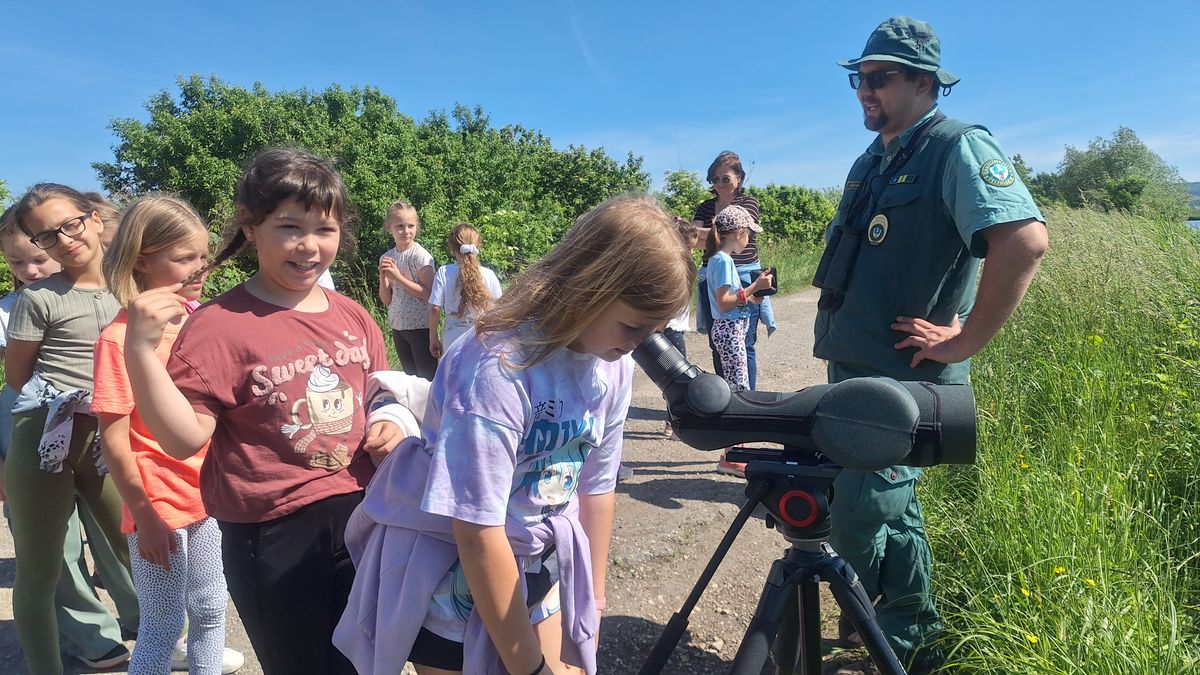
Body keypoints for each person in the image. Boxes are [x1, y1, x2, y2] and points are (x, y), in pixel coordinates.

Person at [334, 193, 695, 675]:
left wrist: (594, 601)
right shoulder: (497, 368)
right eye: (633, 326)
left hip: (537, 559)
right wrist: (529, 668)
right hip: (453, 575)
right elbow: (476, 530)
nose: (639, 344)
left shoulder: (613, 366)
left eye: (653, 330)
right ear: (589, 287)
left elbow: (598, 485)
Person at [813, 16, 1048, 672]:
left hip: (900, 384)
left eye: (879, 77)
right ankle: (910, 637)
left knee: (855, 515)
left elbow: (1024, 240)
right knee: (893, 504)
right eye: (859, 77)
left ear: (924, 82)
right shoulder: (878, 157)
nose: (864, 88)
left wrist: (965, 337)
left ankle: (876, 628)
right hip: (857, 372)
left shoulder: (957, 147)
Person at [122, 148, 406, 674]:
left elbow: (382, 391)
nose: (309, 245)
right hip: (272, 530)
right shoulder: (218, 325)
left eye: (325, 228)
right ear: (250, 228)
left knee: (364, 659)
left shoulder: (353, 314)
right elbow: (184, 438)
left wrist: (391, 418)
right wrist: (139, 351)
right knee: (299, 664)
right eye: (289, 226)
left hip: (363, 513)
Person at [93, 195, 245, 674]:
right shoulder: (118, 340)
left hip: (207, 497)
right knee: (162, 622)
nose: (200, 268)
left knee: (210, 609)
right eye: (184, 258)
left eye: (203, 256)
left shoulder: (200, 320)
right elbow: (115, 440)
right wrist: (144, 517)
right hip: (159, 505)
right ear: (143, 259)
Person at [3, 184, 138, 674]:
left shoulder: (135, 285)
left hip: (113, 436)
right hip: (46, 436)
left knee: (137, 548)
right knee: (40, 569)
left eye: (70, 224)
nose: (63, 240)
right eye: (46, 237)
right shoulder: (39, 298)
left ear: (95, 218)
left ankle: (165, 640)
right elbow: (18, 378)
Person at [692, 151, 776, 389]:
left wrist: (707, 233)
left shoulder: (749, 203)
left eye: (724, 178)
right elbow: (692, 239)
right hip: (718, 279)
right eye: (714, 179)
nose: (719, 184)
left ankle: (741, 396)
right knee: (721, 344)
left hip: (744, 276)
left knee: (745, 342)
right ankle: (733, 397)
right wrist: (712, 233)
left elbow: (698, 238)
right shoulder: (706, 207)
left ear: (739, 178)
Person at [704, 206, 772, 477]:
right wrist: (754, 287)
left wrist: (752, 297)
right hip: (729, 331)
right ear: (740, 233)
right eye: (749, 234)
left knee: (737, 389)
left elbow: (731, 300)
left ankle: (734, 453)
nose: (749, 240)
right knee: (738, 392)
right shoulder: (722, 261)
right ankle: (731, 456)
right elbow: (723, 303)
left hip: (732, 328)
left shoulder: (720, 259)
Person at [379, 200, 437, 380]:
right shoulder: (387, 257)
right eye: (400, 226)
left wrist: (398, 278)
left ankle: (432, 409)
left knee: (426, 379)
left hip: (420, 327)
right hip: (398, 326)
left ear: (417, 226)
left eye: (410, 226)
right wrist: (383, 277)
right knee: (409, 379)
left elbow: (430, 295)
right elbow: (386, 300)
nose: (406, 231)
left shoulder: (421, 256)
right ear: (389, 227)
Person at [427, 223, 502, 359]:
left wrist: (433, 338)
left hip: (452, 337)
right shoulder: (489, 274)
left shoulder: (444, 271)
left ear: (452, 248)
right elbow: (498, 310)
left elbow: (434, 308)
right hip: (480, 336)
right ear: (478, 246)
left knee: (450, 377)